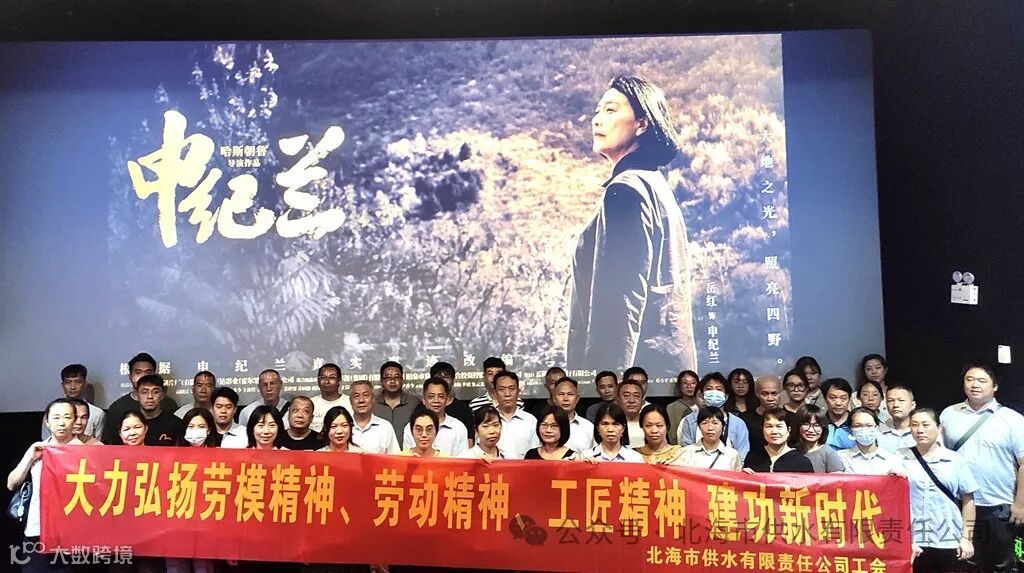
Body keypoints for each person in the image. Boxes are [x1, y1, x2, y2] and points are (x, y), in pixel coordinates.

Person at [567, 74, 696, 377]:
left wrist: (600, 390)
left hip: (630, 385)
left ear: (642, 124)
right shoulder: (654, 184)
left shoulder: (625, 190)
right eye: (597, 111)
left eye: (611, 110)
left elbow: (619, 309)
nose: (597, 119)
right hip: (663, 376)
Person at [939, 362, 1024, 573]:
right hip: (960, 504)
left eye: (982, 380)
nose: (974, 384)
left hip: (999, 505)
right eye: (969, 379)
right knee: (968, 562)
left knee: (1003, 564)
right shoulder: (949, 414)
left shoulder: (1012, 419)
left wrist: (1020, 504)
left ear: (995, 387)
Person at [8, 399, 83, 573]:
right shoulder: (38, 449)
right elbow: (11, 484)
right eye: (56, 417)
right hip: (37, 529)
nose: (62, 423)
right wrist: (30, 458)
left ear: (75, 421)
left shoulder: (86, 453)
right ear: (47, 422)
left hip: (71, 535)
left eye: (67, 417)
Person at [898, 408, 977, 573]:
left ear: (939, 428)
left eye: (926, 424)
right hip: (913, 540)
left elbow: (968, 500)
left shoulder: (955, 460)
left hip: (948, 538)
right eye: (914, 425)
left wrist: (967, 538)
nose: (920, 430)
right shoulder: (899, 458)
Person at [169, 408, 218, 573]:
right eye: (191, 426)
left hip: (206, 525)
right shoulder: (171, 457)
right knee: (176, 568)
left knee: (203, 568)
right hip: (177, 525)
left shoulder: (220, 457)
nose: (195, 430)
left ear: (209, 430)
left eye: (201, 426)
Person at [102, 352, 178, 444]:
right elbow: (109, 444)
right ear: (130, 376)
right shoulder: (117, 408)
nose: (143, 376)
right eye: (138, 372)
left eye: (148, 372)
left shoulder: (169, 404)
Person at [678, 372, 750, 461]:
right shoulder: (690, 421)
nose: (714, 392)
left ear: (726, 396)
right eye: (709, 389)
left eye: (719, 389)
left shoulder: (737, 423)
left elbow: (742, 456)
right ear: (702, 394)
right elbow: (685, 452)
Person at [402, 377, 469, 456]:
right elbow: (408, 458)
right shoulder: (411, 427)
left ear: (447, 399)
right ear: (423, 399)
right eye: (431, 396)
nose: (436, 401)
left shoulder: (458, 427)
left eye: (441, 396)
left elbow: (463, 460)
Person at [42, 364, 105, 442]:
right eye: (68, 382)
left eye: (78, 382)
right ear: (62, 385)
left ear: (84, 384)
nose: (73, 387)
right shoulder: (52, 411)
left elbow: (99, 443)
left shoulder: (97, 413)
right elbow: (47, 442)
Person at [742, 407, 813, 473]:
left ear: (788, 430)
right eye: (769, 426)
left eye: (779, 426)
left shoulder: (802, 462)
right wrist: (743, 475)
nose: (774, 431)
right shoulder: (752, 457)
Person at [677, 406, 742, 471]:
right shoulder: (687, 452)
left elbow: (737, 476)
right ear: (699, 427)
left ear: (723, 426)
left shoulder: (732, 455)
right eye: (705, 423)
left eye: (715, 423)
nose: (710, 428)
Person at [492, 371, 539, 459]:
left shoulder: (530, 420)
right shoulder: (488, 421)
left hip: (525, 467)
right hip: (495, 468)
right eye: (502, 389)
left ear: (518, 391)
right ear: (495, 393)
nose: (507, 394)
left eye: (512, 389)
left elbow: (536, 453)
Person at [838, 407, 898, 474]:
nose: (864, 430)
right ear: (850, 429)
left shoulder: (892, 459)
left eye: (869, 425)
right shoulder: (841, 457)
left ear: (877, 428)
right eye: (858, 426)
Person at [373, 360, 417, 448]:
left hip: (408, 453)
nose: (392, 381)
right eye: (388, 377)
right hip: (380, 454)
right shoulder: (372, 404)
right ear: (381, 381)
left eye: (396, 377)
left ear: (402, 379)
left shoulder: (414, 403)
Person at [348, 380, 399, 454]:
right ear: (350, 401)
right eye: (356, 396)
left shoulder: (385, 427)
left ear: (373, 399)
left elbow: (394, 457)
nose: (361, 400)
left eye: (365, 395)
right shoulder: (344, 427)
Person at [431, 361, 476, 445]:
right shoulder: (422, 407)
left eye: (446, 378)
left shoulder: (463, 409)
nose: (443, 381)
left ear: (453, 381)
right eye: (439, 377)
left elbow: (469, 441)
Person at [792, 405, 845, 473]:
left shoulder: (828, 453)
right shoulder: (791, 451)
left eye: (816, 425)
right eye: (806, 424)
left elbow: (837, 478)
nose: (811, 430)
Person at [136, 374, 185, 446]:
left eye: (155, 392)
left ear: (162, 395)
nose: (150, 396)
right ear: (137, 395)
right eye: (144, 392)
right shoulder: (129, 423)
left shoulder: (176, 424)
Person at [739, 375, 783, 453]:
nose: (770, 398)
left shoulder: (788, 417)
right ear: (757, 394)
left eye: (774, 393)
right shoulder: (745, 419)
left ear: (780, 393)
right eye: (765, 394)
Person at [552, 377, 596, 453]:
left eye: (570, 394)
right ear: (554, 398)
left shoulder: (588, 427)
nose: (565, 399)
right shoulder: (545, 427)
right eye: (561, 394)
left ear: (577, 399)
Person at [310, 363, 352, 433]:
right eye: (323, 377)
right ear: (318, 381)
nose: (327, 381)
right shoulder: (310, 404)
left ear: (339, 381)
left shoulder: (350, 402)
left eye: (332, 377)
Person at [879, 384, 920, 452]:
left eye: (901, 400)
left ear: (913, 405)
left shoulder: (922, 431)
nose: (895, 405)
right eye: (890, 401)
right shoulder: (879, 431)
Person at [666, 369, 699, 445]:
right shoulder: (672, 408)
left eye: (693, 383)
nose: (689, 386)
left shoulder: (703, 405)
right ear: (679, 386)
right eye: (685, 383)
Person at [821, 378, 855, 450]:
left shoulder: (856, 423)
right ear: (825, 399)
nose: (838, 403)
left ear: (849, 399)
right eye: (833, 398)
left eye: (843, 398)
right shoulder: (819, 423)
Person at [618, 379, 646, 446]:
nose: (631, 400)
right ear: (618, 400)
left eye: (636, 396)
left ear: (642, 401)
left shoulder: (649, 425)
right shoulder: (611, 425)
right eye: (626, 396)